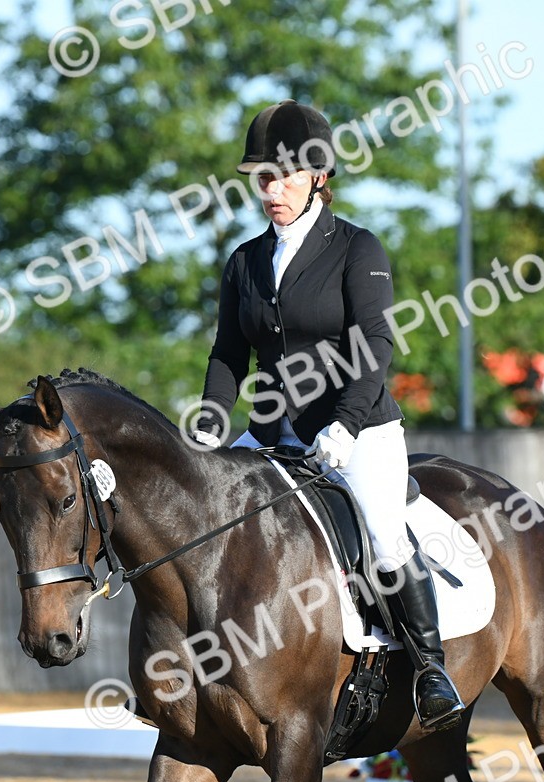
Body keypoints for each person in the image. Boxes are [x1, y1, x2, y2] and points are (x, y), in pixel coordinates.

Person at [192, 99, 464, 730]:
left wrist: (345, 423)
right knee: (204, 522)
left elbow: (375, 344)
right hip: (270, 433)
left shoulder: (356, 248)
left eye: (283, 177)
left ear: (317, 175)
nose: (270, 190)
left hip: (359, 427)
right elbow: (229, 354)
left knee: (383, 532)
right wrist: (208, 425)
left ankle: (431, 671)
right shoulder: (245, 261)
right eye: (262, 177)